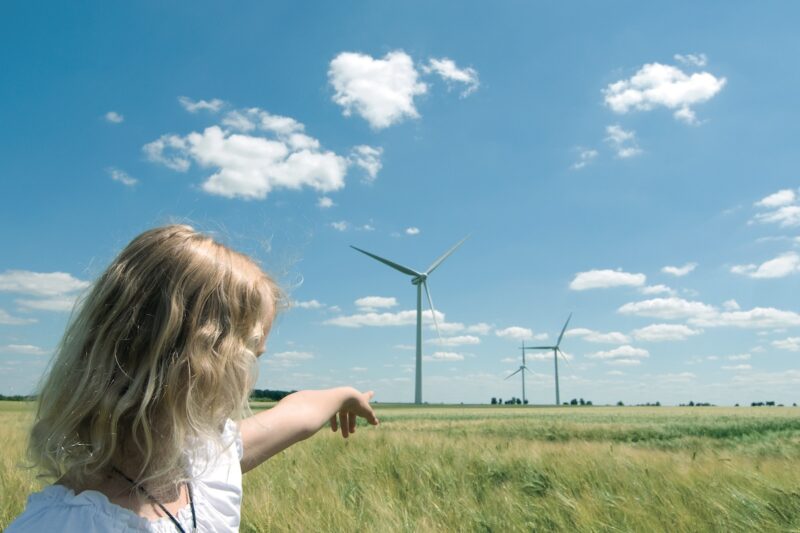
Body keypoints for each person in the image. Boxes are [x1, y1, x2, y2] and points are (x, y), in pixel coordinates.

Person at [7, 224, 379, 532]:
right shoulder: (58, 525)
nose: (251, 374)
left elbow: (300, 411)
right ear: (205, 363)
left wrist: (346, 395)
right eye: (252, 355)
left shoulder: (203, 458)